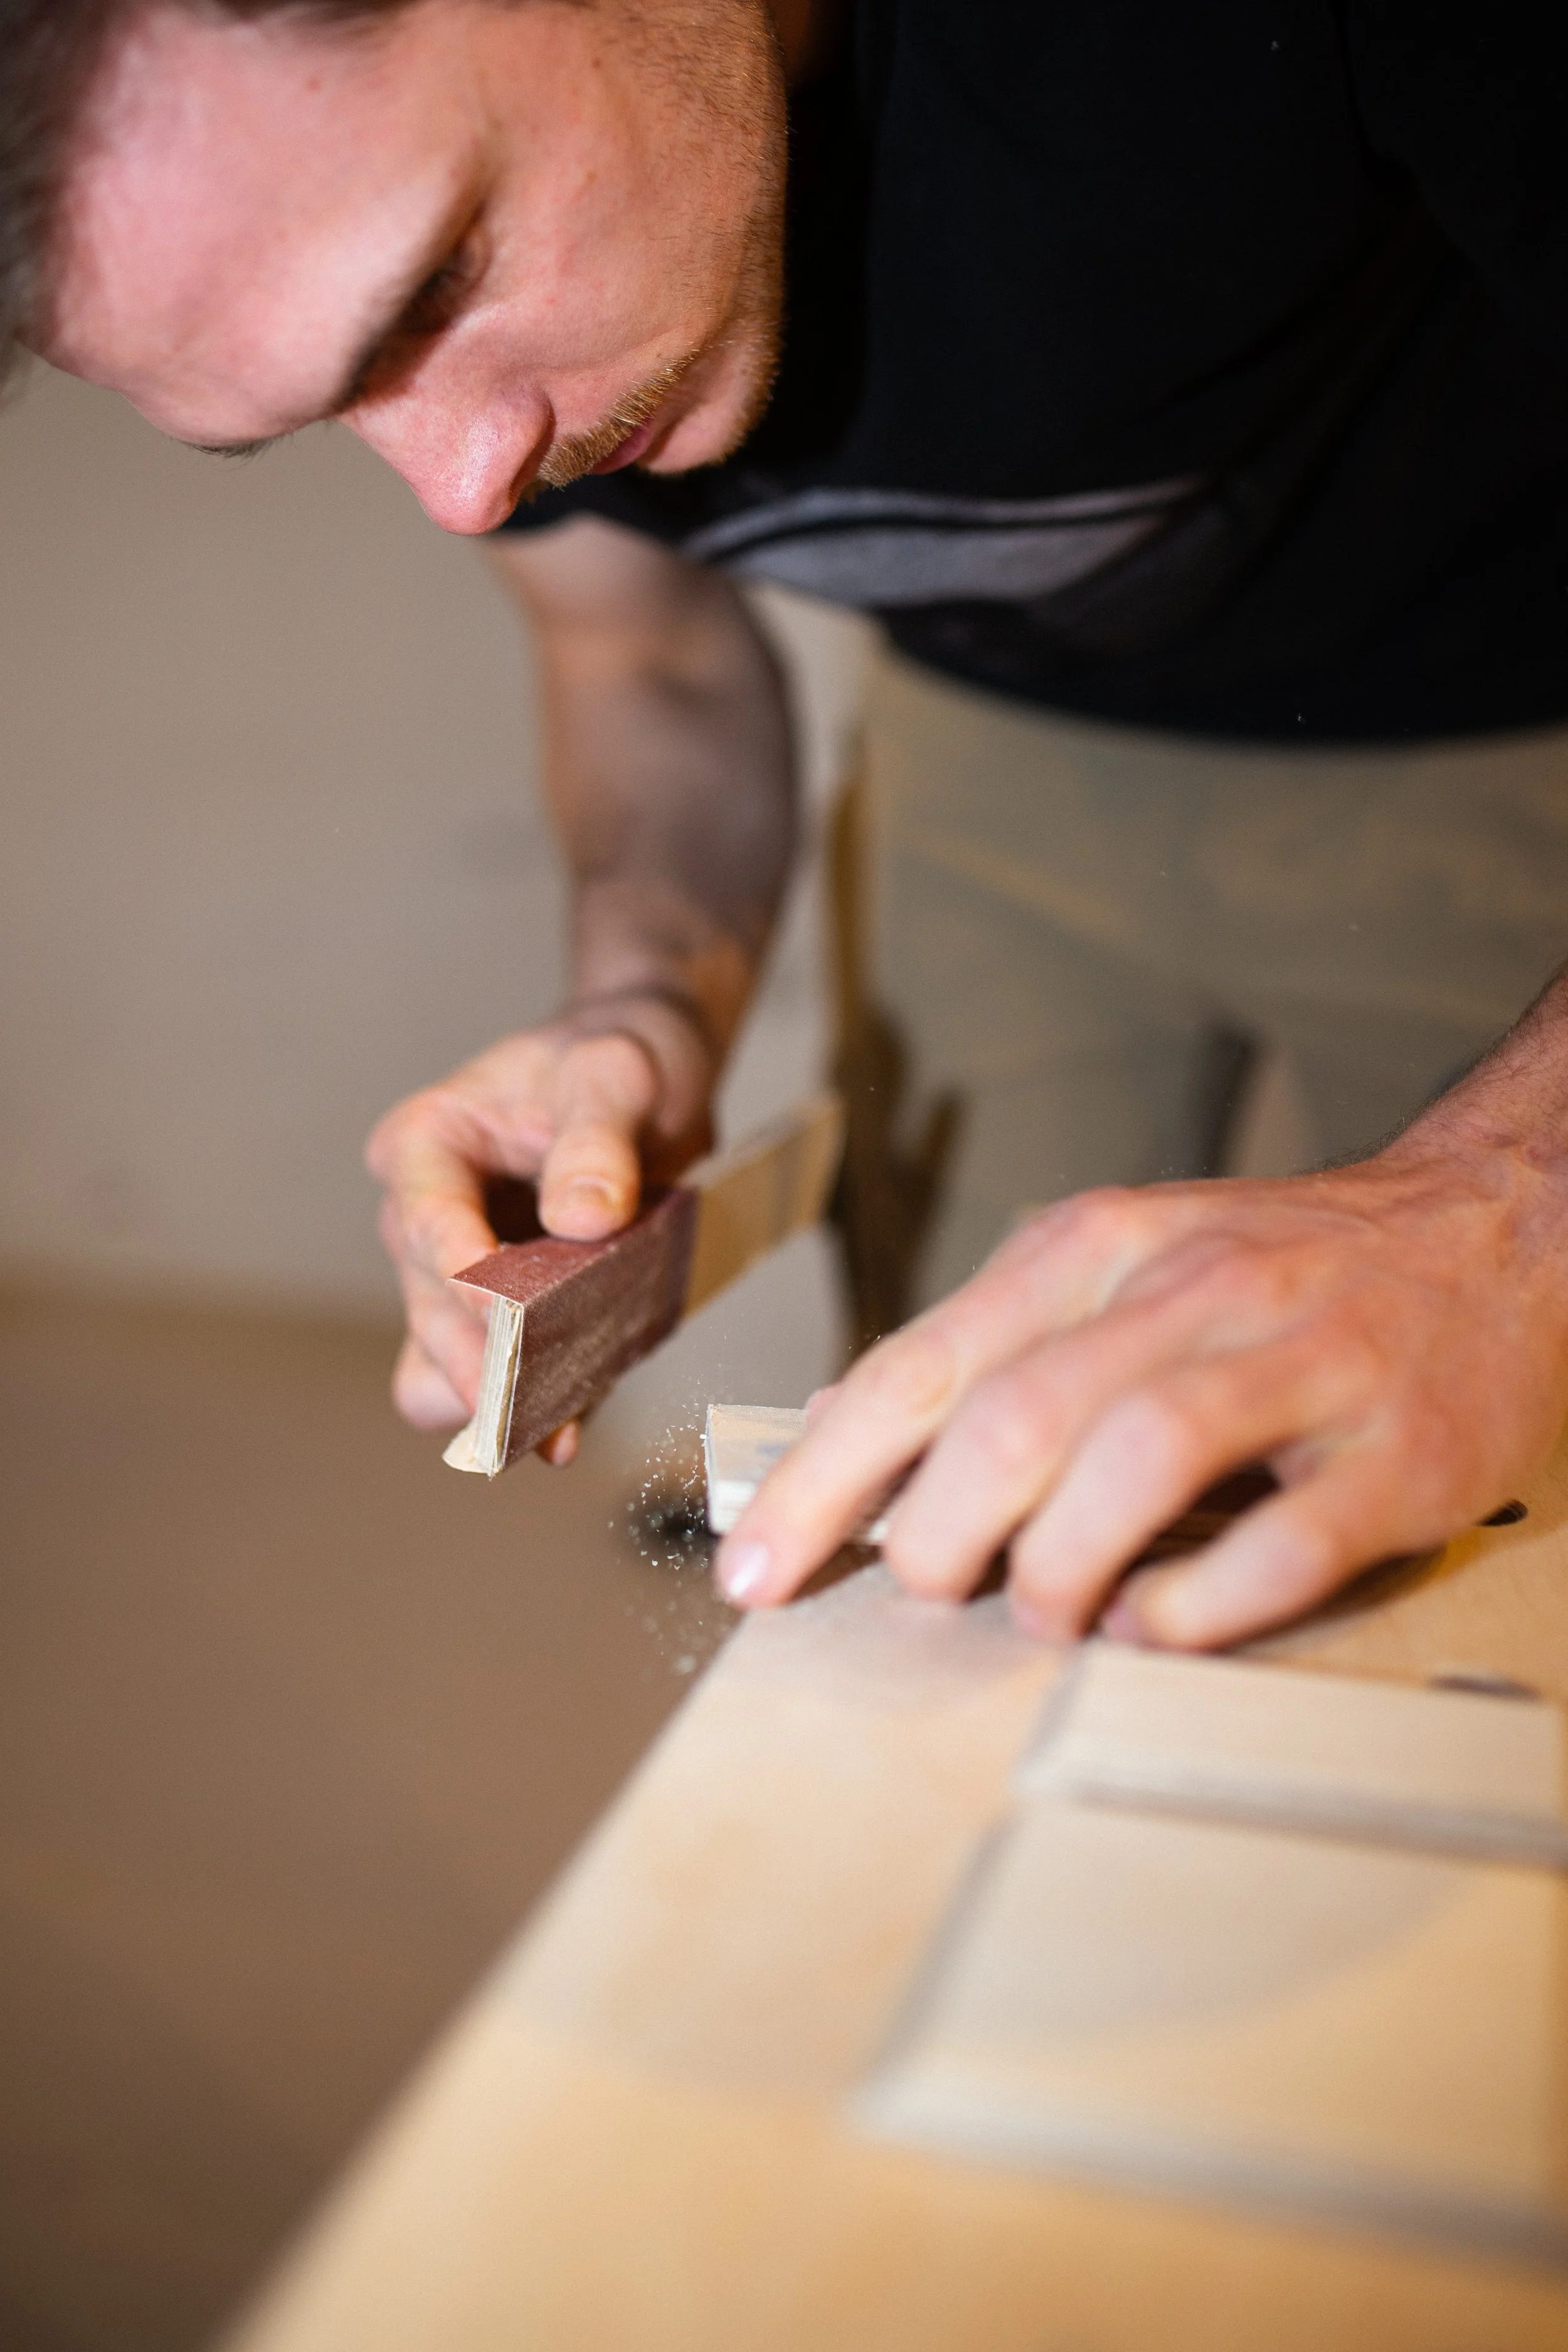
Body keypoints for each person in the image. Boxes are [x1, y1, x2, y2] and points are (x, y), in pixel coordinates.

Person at [11, 0, 1568, 1649]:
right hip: (990, 748)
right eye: (314, 417)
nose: (466, 486)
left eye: (438, 280)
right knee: (967, 1513)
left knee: (1489, 1537)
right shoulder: (488, 404)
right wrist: (640, 1003)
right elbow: (643, 653)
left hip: (1496, 718)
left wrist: (1510, 1208)